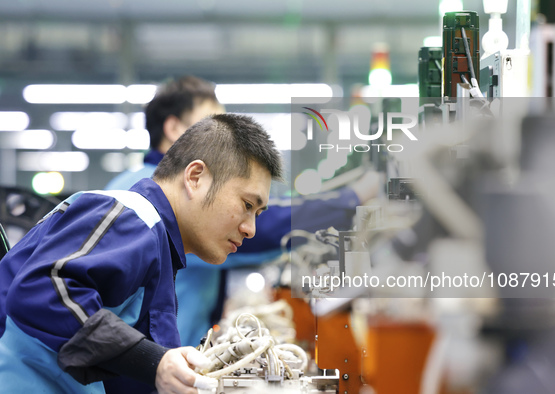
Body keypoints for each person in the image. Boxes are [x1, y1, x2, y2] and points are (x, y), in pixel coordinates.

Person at [0, 113, 283, 393]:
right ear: (196, 177)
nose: (251, 229)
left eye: (258, 213)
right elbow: (42, 290)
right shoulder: (134, 220)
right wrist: (154, 362)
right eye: (247, 204)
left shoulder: (157, 248)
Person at [106, 76, 380, 348]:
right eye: (211, 126)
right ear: (174, 128)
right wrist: (352, 198)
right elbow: (268, 229)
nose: (249, 227)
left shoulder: (138, 185)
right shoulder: (148, 200)